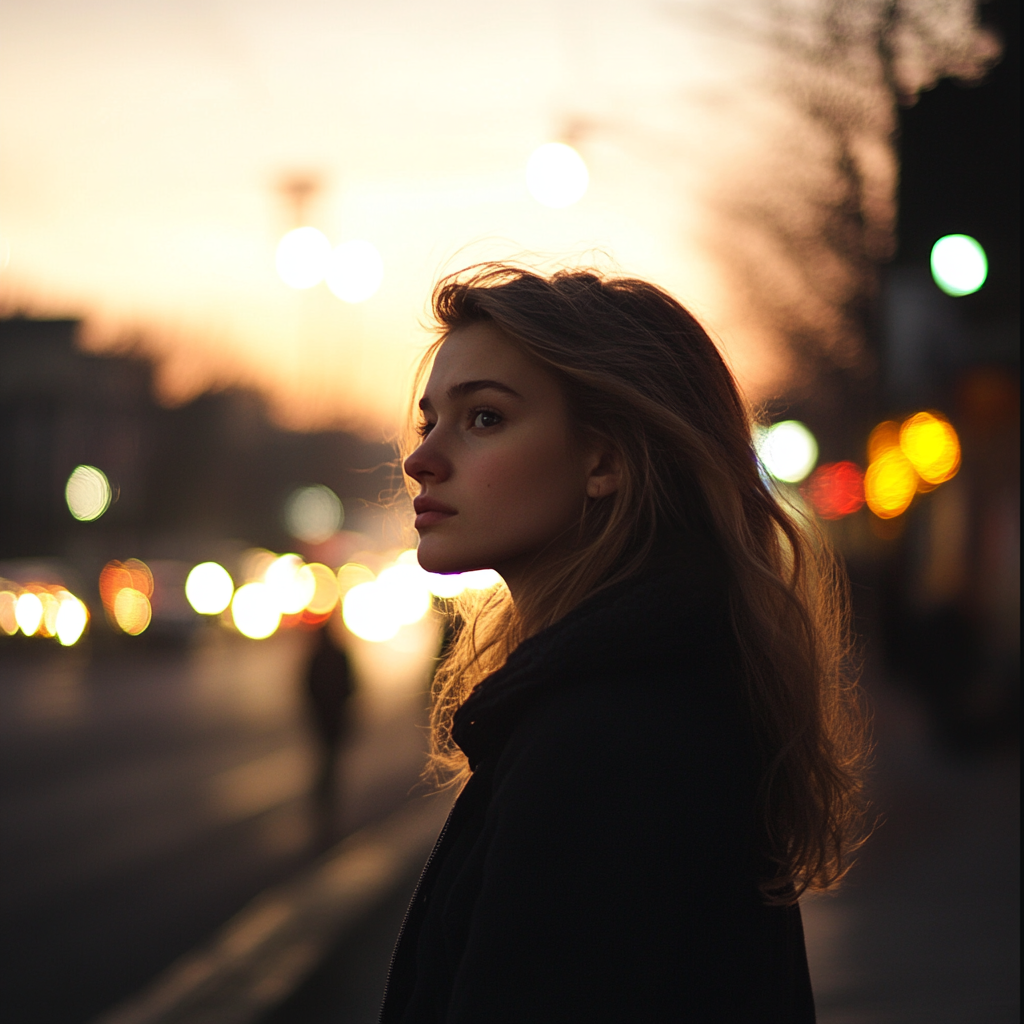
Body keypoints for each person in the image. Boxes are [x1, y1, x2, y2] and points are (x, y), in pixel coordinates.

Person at [380, 265, 869, 1023]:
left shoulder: (603, 746)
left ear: (605, 460)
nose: (421, 459)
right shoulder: (657, 691)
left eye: (483, 419)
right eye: (429, 421)